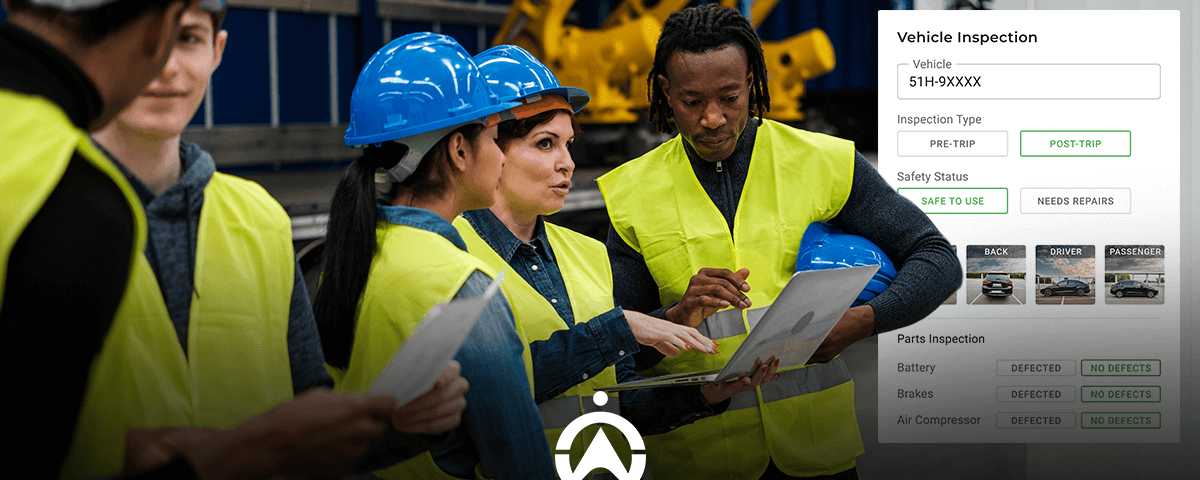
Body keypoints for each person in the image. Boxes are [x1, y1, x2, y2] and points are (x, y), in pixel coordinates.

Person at [77, 3, 469, 479]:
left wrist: (399, 426)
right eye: (138, 36)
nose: (167, 64)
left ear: (218, 51)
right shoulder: (30, 211)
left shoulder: (259, 219)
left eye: (188, 39)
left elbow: (306, 431)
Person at [597, 4, 961, 479]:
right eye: (691, 102)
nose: (712, 119)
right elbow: (617, 349)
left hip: (815, 454)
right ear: (665, 91)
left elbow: (937, 258)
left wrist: (863, 321)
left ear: (752, 81)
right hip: (699, 455)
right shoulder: (631, 193)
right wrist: (675, 317)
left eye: (729, 97)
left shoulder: (823, 163)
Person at [455, 44, 780, 462]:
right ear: (487, 147)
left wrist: (706, 394)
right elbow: (480, 388)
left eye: (568, 144)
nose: (567, 163)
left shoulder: (587, 253)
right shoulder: (454, 254)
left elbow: (620, 401)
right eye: (545, 144)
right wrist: (619, 329)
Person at [315, 32, 561, 480]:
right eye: (491, 137)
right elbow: (518, 457)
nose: (501, 157)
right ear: (460, 150)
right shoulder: (462, 284)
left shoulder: (349, 255)